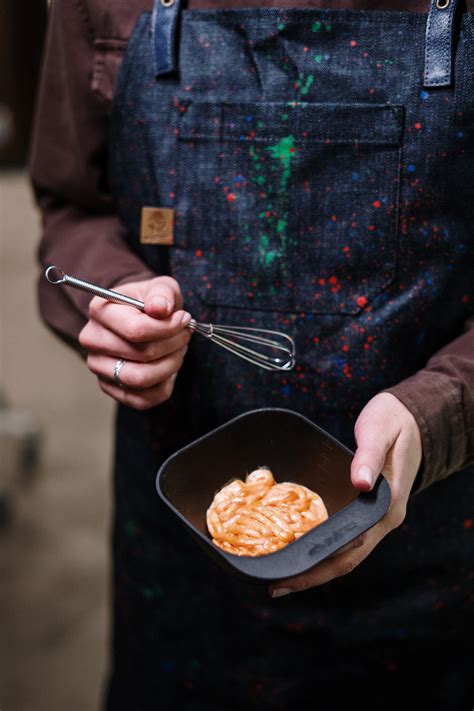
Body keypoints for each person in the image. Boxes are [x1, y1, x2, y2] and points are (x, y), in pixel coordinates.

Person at [30, 0, 473, 708]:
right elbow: (71, 205)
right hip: (180, 569)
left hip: (432, 570)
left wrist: (442, 405)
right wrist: (112, 294)